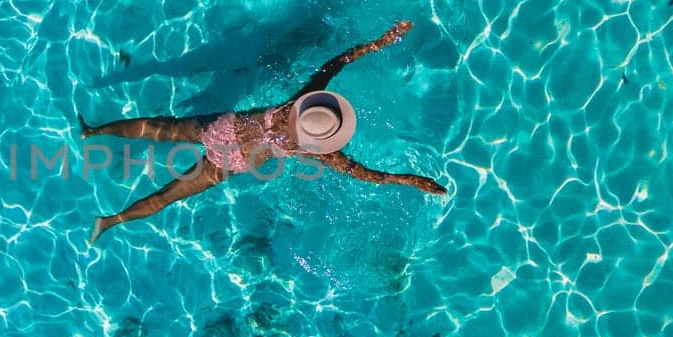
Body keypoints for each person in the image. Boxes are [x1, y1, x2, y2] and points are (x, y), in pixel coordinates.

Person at [82, 20, 446, 244]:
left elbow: (337, 62)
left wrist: (381, 41)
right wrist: (412, 181)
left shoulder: (299, 101)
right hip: (231, 162)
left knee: (157, 129)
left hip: (222, 129)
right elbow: (371, 176)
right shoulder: (320, 153)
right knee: (166, 196)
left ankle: (93, 131)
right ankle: (110, 221)